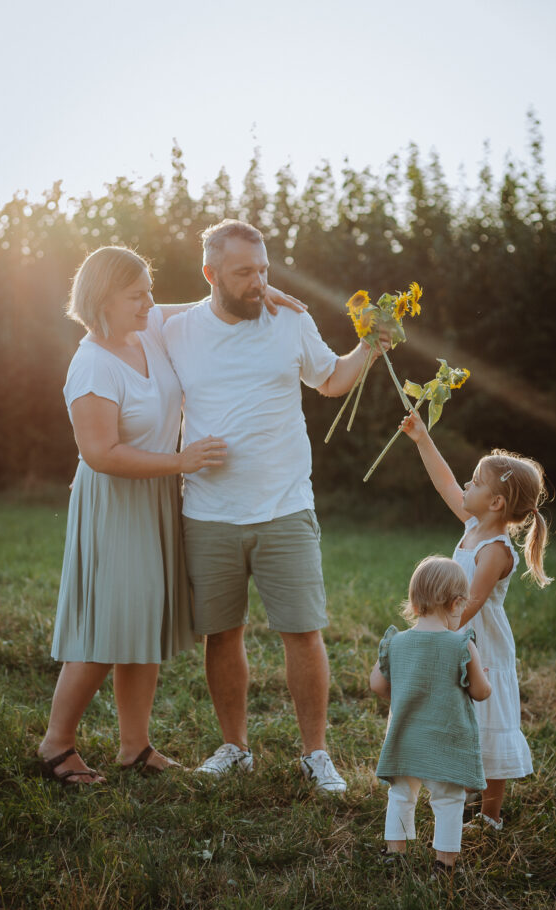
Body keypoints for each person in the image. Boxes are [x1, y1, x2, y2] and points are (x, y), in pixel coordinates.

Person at [39, 245, 300, 785]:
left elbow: (209, 306)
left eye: (149, 293)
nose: (150, 303)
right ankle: (55, 746)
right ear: (103, 300)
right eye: (138, 296)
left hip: (158, 498)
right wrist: (180, 460)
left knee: (146, 624)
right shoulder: (91, 363)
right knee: (106, 629)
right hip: (115, 504)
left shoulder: (148, 330)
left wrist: (257, 289)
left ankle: (134, 748)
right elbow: (100, 453)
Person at [162, 219, 391, 794]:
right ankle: (235, 747)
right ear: (209, 273)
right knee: (223, 633)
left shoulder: (291, 319)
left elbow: (331, 380)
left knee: (304, 631)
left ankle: (316, 754)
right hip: (210, 511)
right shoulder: (178, 329)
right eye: (243, 272)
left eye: (263, 270)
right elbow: (121, 308)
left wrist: (368, 345)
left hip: (286, 504)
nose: (258, 282)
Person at [401, 409, 553, 829]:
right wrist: (421, 439)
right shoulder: (472, 524)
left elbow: (469, 604)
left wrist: (433, 628)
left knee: (489, 720)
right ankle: (465, 784)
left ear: (496, 503)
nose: (466, 486)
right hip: (455, 634)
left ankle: (490, 815)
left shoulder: (496, 550)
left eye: (476, 482)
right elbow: (446, 482)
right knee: (461, 712)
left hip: (478, 642)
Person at [370, 556, 491, 876]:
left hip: (405, 739)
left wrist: (406, 688)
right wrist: (484, 676)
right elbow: (480, 691)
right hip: (445, 743)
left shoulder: (395, 642)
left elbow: (377, 684)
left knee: (400, 795)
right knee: (448, 801)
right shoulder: (462, 645)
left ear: (414, 600)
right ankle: (444, 865)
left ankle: (395, 856)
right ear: (456, 603)